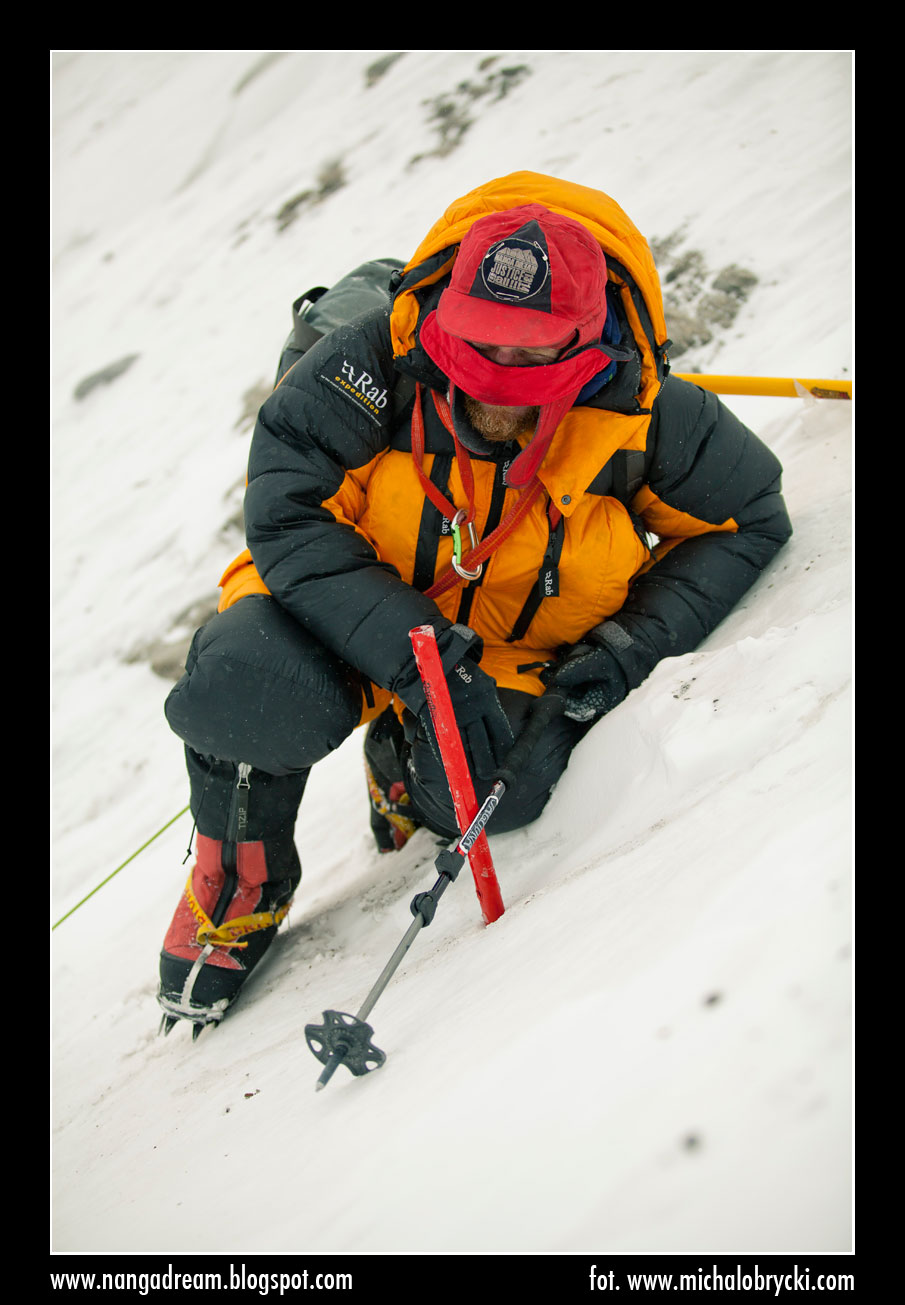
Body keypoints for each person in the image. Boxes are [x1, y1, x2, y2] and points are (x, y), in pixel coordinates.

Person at [157, 171, 792, 1033]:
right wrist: (412, 654)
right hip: (334, 611)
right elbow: (287, 513)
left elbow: (746, 520)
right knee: (247, 683)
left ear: (587, 341)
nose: (497, 379)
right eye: (481, 343)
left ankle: (398, 770)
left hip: (497, 647)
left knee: (495, 796)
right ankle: (240, 879)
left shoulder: (643, 415)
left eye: (530, 355)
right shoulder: (361, 373)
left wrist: (620, 652)